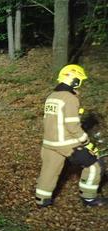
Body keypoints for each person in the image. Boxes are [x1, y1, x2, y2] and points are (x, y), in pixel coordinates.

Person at [35, 64, 106, 207]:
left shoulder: (52, 96)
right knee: (94, 165)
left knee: (49, 170)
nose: (80, 84)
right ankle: (89, 198)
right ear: (74, 80)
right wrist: (85, 142)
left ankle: (41, 200)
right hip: (65, 143)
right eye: (79, 80)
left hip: (49, 142)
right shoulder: (69, 98)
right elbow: (72, 126)